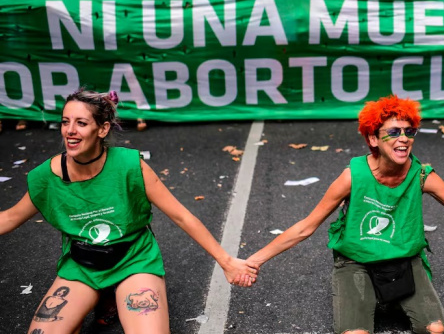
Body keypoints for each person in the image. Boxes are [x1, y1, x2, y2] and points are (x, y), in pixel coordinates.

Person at [244, 95, 444, 334]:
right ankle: (378, 295)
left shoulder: (423, 175)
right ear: (374, 139)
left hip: (402, 260)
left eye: (409, 131)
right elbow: (306, 227)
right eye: (393, 132)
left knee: (435, 330)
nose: (404, 139)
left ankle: (394, 297)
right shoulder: (353, 177)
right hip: (356, 261)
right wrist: (252, 262)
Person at [0, 89, 258, 333]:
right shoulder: (46, 177)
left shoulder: (130, 165)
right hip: (82, 263)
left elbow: (181, 215)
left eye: (81, 123)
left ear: (102, 129)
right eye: (65, 122)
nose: (70, 130)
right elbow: (10, 217)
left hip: (133, 259)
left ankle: (112, 294)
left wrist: (226, 262)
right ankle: (103, 295)